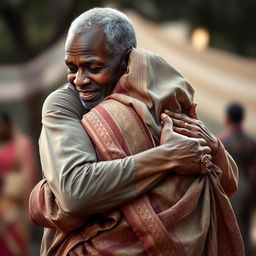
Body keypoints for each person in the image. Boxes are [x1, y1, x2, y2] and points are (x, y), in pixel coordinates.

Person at [29, 8, 243, 255]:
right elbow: (75, 193)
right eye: (72, 67)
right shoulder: (64, 104)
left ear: (125, 61)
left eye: (93, 67)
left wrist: (213, 148)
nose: (79, 79)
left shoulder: (160, 96)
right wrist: (168, 157)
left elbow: (223, 183)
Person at [219, 103, 256, 256]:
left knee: (230, 230)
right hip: (249, 187)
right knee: (246, 229)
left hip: (231, 188)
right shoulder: (251, 141)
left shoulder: (222, 141)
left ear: (227, 118)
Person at [0, 111, 38, 256]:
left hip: (14, 206)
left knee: (15, 245)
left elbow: (29, 175)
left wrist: (30, 206)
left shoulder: (22, 144)